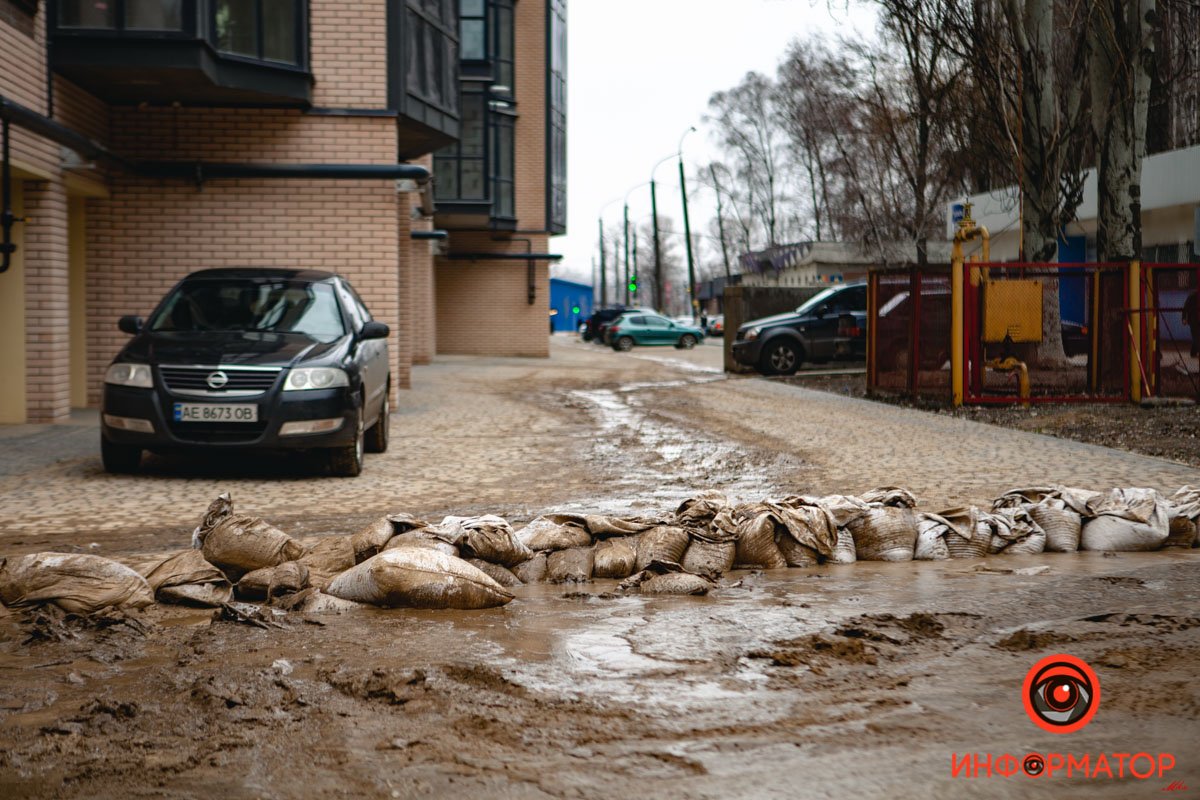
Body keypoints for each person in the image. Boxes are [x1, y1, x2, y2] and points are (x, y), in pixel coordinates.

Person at [1184, 287, 1199, 357]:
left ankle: (1193, 352)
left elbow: (1185, 307)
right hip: (1194, 320)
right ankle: (1194, 352)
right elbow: (1186, 307)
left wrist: (1184, 318)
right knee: (1196, 336)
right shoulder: (1192, 296)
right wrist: (1184, 318)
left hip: (1193, 320)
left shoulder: (1192, 296)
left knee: (1196, 336)